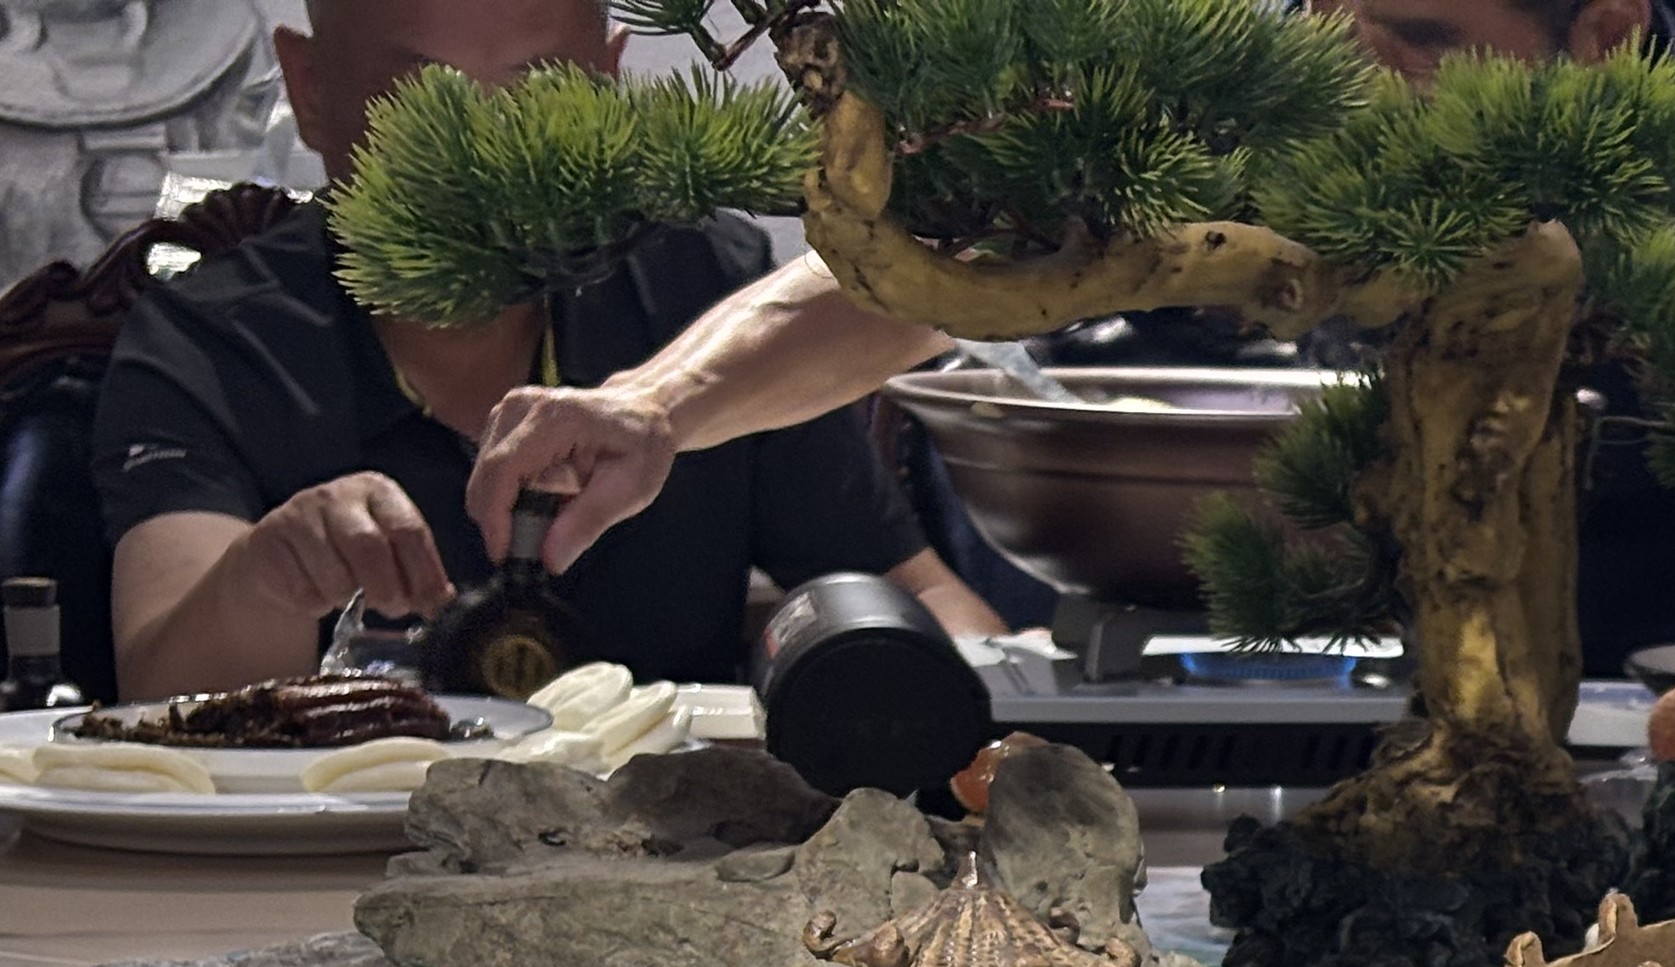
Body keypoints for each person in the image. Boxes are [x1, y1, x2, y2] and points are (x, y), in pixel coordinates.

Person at [467, 0, 1675, 667]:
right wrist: (655, 404)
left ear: (1610, 36)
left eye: (1430, 41)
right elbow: (924, 266)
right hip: (1374, 671)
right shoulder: (1288, 71)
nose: (1360, 80)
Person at [93, 0, 998, 701]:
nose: (479, 150)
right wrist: (268, 576)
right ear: (311, 89)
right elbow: (162, 695)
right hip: (325, 853)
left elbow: (912, 595)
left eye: (533, 87)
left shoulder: (708, 295)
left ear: (605, 86)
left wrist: (1006, 720)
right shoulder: (214, 342)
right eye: (420, 93)